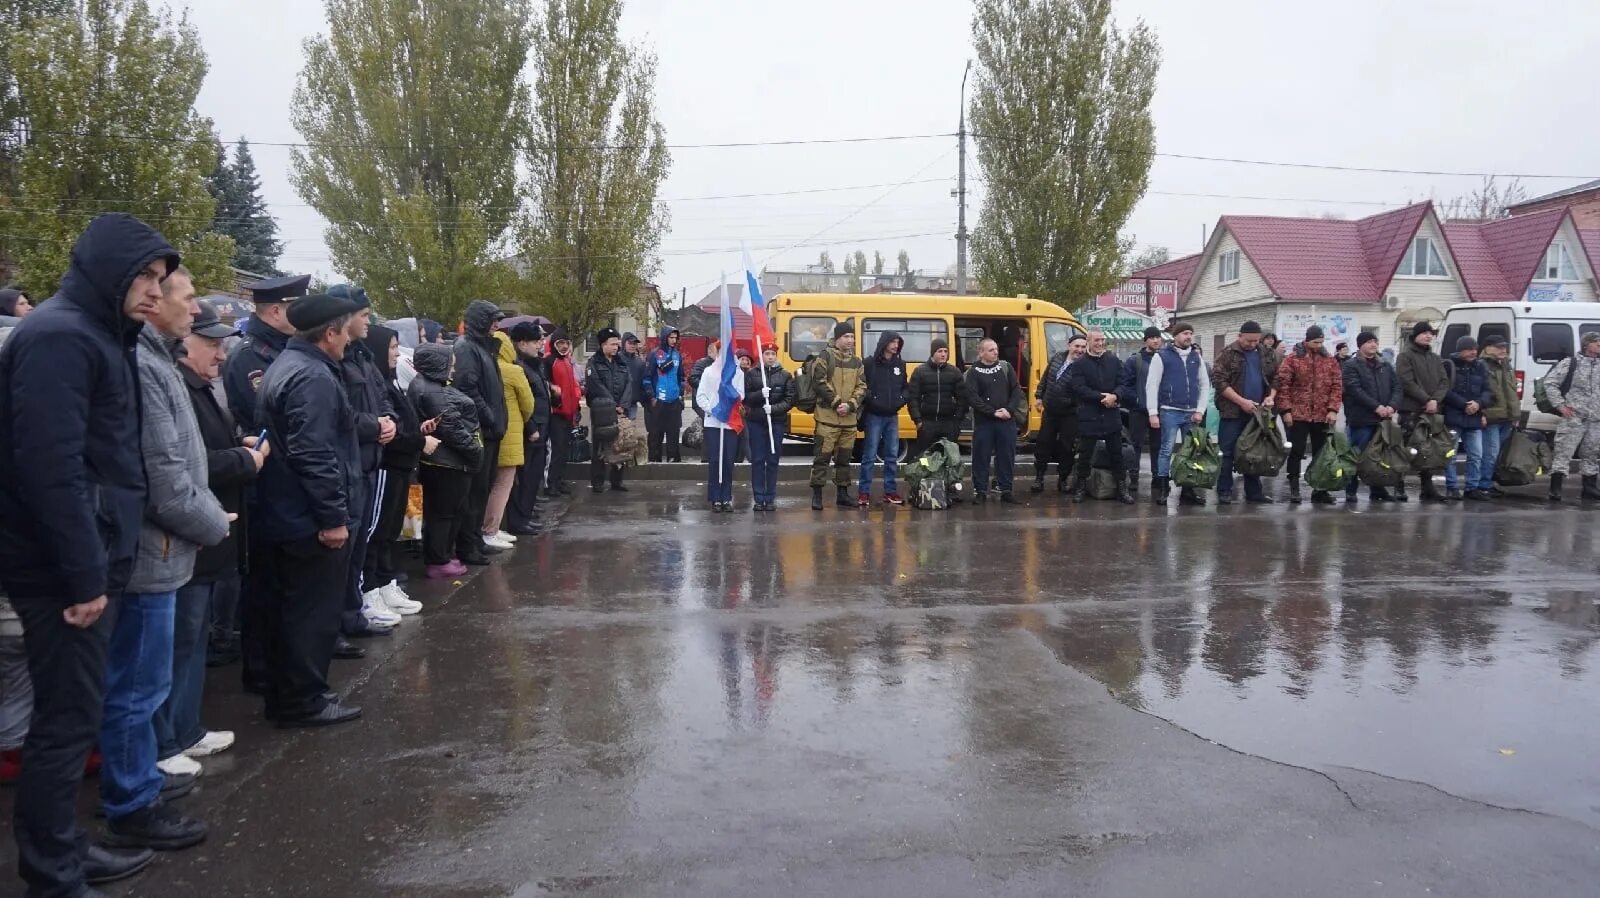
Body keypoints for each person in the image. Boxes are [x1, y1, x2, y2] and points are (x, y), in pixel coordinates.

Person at [0, 213, 179, 896]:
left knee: (74, 716)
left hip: (88, 558)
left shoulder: (92, 333)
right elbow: (51, 469)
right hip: (60, 570)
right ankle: (52, 873)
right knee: (66, 721)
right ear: (108, 268)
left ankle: (65, 850)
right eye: (145, 276)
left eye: (161, 280)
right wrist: (82, 574)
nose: (154, 292)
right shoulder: (59, 337)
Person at [111, 261, 234, 849]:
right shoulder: (142, 364)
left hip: (174, 543)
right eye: (180, 297)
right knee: (137, 683)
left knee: (162, 666)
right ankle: (133, 795)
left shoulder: (156, 358)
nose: (188, 306)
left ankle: (155, 763)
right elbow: (164, 474)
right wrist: (214, 521)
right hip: (152, 549)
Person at [153, 298, 256, 788]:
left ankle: (185, 729)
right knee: (175, 646)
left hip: (213, 529)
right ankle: (165, 742)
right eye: (211, 345)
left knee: (192, 640)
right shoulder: (179, 388)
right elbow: (191, 467)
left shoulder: (200, 388)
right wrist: (245, 460)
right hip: (189, 531)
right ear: (183, 346)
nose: (220, 355)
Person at [252, 293, 365, 728]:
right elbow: (314, 453)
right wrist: (333, 518)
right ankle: (305, 699)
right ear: (330, 333)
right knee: (310, 615)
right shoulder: (312, 376)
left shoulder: (289, 364)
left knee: (292, 610)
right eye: (345, 330)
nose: (348, 340)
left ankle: (291, 695)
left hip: (287, 513)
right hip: (306, 519)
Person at [328, 286, 400, 638]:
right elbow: (342, 415)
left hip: (371, 460)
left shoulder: (362, 356)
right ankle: (348, 615)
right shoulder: (338, 361)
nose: (369, 322)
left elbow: (381, 395)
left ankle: (353, 613)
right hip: (352, 462)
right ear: (346, 318)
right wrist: (376, 425)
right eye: (364, 315)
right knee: (351, 545)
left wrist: (388, 420)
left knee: (362, 541)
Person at [357, 323, 428, 615]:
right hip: (387, 464)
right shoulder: (376, 383)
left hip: (401, 464)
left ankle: (386, 583)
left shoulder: (389, 381)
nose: (397, 354)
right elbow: (390, 427)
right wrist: (418, 439)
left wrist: (418, 430)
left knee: (389, 532)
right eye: (392, 347)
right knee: (377, 531)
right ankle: (370, 591)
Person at [409, 345, 485, 576]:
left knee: (445, 511)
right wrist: (475, 451)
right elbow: (451, 428)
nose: (453, 367)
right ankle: (439, 560)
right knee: (445, 513)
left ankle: (441, 556)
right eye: (449, 362)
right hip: (447, 463)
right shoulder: (433, 392)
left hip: (442, 461)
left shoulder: (426, 385)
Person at [451, 300, 508, 557]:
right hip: (480, 429)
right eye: (492, 320)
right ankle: (467, 545)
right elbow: (468, 388)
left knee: (482, 489)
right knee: (473, 493)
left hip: (490, 429)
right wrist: (490, 417)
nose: (496, 326)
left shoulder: (484, 348)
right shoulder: (467, 348)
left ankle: (475, 540)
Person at [223, 273, 308, 428]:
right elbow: (267, 417)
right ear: (276, 312)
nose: (304, 315)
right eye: (299, 308)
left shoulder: (285, 345)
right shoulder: (249, 356)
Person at [1212, 321, 1280, 504]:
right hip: (1233, 412)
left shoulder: (1266, 353)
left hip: (1258, 412)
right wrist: (1241, 402)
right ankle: (1225, 490)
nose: (1252, 344)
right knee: (1226, 452)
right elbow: (1219, 382)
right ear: (1240, 336)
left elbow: (1276, 378)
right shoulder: (1227, 354)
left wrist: (1270, 397)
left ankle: (1254, 491)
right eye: (1249, 340)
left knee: (1254, 452)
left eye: (1256, 340)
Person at [1274, 325, 1344, 505]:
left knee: (1322, 453)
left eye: (1321, 342)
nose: (1319, 345)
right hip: (1299, 414)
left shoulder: (1329, 360)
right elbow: (1283, 386)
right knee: (1296, 452)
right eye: (1315, 342)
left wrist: (1333, 409)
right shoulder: (1292, 360)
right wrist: (1286, 410)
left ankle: (1320, 490)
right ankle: (1294, 488)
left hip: (1321, 414)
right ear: (1307, 340)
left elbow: (1337, 386)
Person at [1144, 321, 1211, 506]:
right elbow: (1152, 385)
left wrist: (1200, 410)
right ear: (1175, 336)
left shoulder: (1196, 358)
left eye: (1190, 333)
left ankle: (1188, 490)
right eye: (1184, 333)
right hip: (1170, 410)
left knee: (1191, 452)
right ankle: (1164, 488)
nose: (1188, 336)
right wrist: (1152, 412)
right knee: (1166, 450)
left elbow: (1205, 385)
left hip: (1191, 412)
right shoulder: (1162, 356)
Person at [1067, 330, 1134, 505]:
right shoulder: (1079, 364)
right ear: (1088, 342)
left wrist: (1115, 396)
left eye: (1102, 340)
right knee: (1085, 455)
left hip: (1111, 415)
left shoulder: (1114, 360)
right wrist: (1101, 397)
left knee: (1117, 454)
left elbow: (1123, 384)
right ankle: (1080, 487)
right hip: (1089, 415)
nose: (1100, 343)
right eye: (1097, 340)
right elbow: (1079, 388)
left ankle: (1122, 488)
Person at [483, 331, 535, 546]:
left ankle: (492, 528)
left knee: (489, 484)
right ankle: (490, 530)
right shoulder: (513, 370)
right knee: (503, 484)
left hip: (489, 435)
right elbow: (528, 403)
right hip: (510, 435)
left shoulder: (486, 367)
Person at [807, 323, 866, 510]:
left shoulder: (857, 361)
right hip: (827, 418)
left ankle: (842, 494)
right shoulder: (825, 356)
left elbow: (862, 386)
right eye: (846, 336)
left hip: (848, 420)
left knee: (844, 459)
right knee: (821, 458)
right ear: (838, 338)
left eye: (852, 337)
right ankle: (817, 495)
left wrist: (850, 405)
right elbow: (819, 382)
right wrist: (837, 403)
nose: (850, 340)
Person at [1341, 331, 1403, 504]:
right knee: (1356, 455)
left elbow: (1397, 387)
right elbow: (1355, 390)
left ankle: (1377, 490)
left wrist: (1392, 406)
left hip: (1383, 420)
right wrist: (1376, 407)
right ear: (1360, 345)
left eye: (1375, 341)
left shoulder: (1385, 365)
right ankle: (1350, 490)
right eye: (1369, 342)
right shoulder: (1351, 365)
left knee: (1379, 457)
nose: (1373, 345)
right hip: (1361, 420)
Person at [1395, 320, 1451, 502]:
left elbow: (1444, 381)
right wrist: (1426, 400)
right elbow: (1407, 381)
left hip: (1432, 411)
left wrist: (1435, 400)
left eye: (1431, 333)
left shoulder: (1435, 358)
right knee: (1407, 449)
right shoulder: (1405, 356)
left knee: (1429, 450)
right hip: (1411, 410)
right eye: (1425, 333)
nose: (1429, 336)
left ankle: (1427, 489)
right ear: (1415, 335)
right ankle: (1399, 486)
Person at [965, 338, 1026, 503]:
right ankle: (980, 491)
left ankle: (1006, 489)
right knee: (981, 456)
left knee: (1006, 455)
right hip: (984, 422)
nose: (995, 352)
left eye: (996, 349)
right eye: (991, 350)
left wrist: (1009, 410)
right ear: (981, 352)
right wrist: (992, 413)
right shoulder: (973, 372)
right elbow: (972, 397)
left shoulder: (1005, 367)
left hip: (1006, 421)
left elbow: (1016, 390)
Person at [1543, 332, 1600, 502]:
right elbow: (1550, 383)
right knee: (1563, 452)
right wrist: (1560, 405)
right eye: (1597, 342)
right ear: (1586, 345)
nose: (1599, 345)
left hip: (1595, 418)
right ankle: (1555, 489)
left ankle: (1589, 488)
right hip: (1574, 417)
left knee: (1591, 452)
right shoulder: (1571, 363)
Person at [506, 323, 549, 534]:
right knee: (525, 477)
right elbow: (521, 402)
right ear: (522, 343)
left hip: (541, 426)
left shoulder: (534, 364)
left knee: (533, 477)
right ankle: (519, 520)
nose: (539, 344)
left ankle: (526, 514)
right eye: (535, 341)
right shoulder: (519, 366)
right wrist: (531, 427)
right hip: (531, 430)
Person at [858, 331, 908, 506]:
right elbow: (863, 387)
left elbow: (905, 387)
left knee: (892, 455)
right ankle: (864, 493)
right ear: (884, 343)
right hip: (874, 415)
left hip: (892, 416)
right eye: (892, 342)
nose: (895, 345)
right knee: (870, 455)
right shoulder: (870, 363)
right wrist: (873, 400)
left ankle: (890, 491)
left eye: (897, 342)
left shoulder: (900, 364)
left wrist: (901, 401)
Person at [1033, 333, 1086, 494]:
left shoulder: (1083, 366)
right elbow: (1045, 379)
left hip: (1069, 414)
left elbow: (1082, 392)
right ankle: (1039, 478)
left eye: (1083, 347)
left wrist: (1069, 402)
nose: (1080, 350)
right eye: (1077, 346)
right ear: (1069, 346)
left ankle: (1062, 480)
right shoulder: (1057, 357)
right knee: (1043, 444)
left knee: (1066, 448)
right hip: (1049, 411)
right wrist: (1039, 396)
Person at [585, 327, 636, 492]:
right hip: (602, 412)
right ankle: (598, 482)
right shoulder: (594, 363)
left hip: (622, 409)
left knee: (621, 444)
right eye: (612, 344)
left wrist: (623, 405)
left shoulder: (621, 362)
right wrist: (613, 406)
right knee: (600, 446)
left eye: (617, 344)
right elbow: (596, 386)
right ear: (602, 344)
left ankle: (617, 481)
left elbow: (629, 383)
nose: (616, 347)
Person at [1442, 336, 1492, 502]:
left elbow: (1487, 390)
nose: (1473, 352)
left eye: (1475, 349)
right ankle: (1452, 487)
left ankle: (1472, 487)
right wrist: (1464, 404)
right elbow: (1445, 391)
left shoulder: (1480, 367)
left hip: (1474, 417)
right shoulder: (1449, 366)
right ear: (1460, 350)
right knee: (1451, 454)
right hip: (1454, 417)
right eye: (1469, 349)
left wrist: (1478, 404)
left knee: (1476, 454)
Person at [745, 342, 793, 511]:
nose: (770, 357)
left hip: (777, 422)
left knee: (772, 461)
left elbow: (789, 400)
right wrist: (760, 394)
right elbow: (745, 397)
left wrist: (773, 408)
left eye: (773, 354)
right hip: (757, 422)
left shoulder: (785, 375)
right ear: (761, 355)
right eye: (767, 354)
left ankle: (770, 497)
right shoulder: (752, 374)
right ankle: (759, 498)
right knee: (758, 460)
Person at [1119, 326, 1165, 495]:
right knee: (1135, 445)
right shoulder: (1135, 360)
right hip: (1138, 411)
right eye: (1152, 337)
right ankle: (1134, 478)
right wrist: (1137, 400)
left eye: (1158, 337)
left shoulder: (1165, 358)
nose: (1155, 340)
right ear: (1145, 340)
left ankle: (1158, 478)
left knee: (1158, 446)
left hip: (1160, 411)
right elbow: (1126, 384)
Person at [906, 337, 967, 457]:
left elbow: (963, 398)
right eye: (940, 351)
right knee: (924, 457)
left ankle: (945, 476)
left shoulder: (955, 372)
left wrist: (957, 421)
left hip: (949, 423)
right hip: (927, 423)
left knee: (948, 458)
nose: (943, 354)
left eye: (945, 351)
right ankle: (924, 475)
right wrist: (918, 421)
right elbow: (913, 398)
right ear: (933, 353)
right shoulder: (920, 372)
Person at [1478, 335, 1518, 497]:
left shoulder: (1506, 365)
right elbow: (1479, 392)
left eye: (1504, 347)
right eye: (1498, 347)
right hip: (1491, 416)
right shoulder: (1481, 366)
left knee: (1498, 452)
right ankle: (1483, 484)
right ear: (1487, 348)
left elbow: (1512, 391)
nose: (1503, 350)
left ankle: (1489, 482)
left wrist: (1515, 414)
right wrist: (1482, 413)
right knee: (1490, 452)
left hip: (1507, 417)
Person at [544, 330, 580, 495]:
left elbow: (572, 387)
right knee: (555, 450)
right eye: (560, 343)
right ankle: (550, 483)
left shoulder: (567, 361)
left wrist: (576, 408)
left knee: (564, 449)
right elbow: (545, 384)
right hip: (556, 413)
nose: (564, 346)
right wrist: (553, 394)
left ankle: (559, 480)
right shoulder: (548, 361)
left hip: (568, 412)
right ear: (554, 344)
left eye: (566, 343)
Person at [644, 326, 686, 462]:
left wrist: (680, 394)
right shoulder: (654, 354)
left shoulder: (677, 355)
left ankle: (673, 461)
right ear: (664, 337)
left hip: (674, 401)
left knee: (673, 434)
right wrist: (652, 397)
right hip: (659, 401)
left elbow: (682, 377)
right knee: (656, 434)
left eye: (675, 338)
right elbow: (647, 378)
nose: (674, 340)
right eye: (671, 337)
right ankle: (654, 461)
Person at [690, 339, 720, 463]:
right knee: (708, 427)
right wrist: (706, 386)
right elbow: (692, 378)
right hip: (702, 401)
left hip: (714, 401)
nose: (718, 354)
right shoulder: (702, 364)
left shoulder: (719, 365)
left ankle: (713, 455)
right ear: (709, 352)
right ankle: (706, 457)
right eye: (716, 351)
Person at [622, 332, 648, 422]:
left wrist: (645, 400)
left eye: (634, 344)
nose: (632, 346)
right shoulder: (616, 360)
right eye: (630, 343)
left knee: (630, 430)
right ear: (623, 343)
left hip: (632, 403)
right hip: (618, 404)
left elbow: (642, 383)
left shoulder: (639, 362)